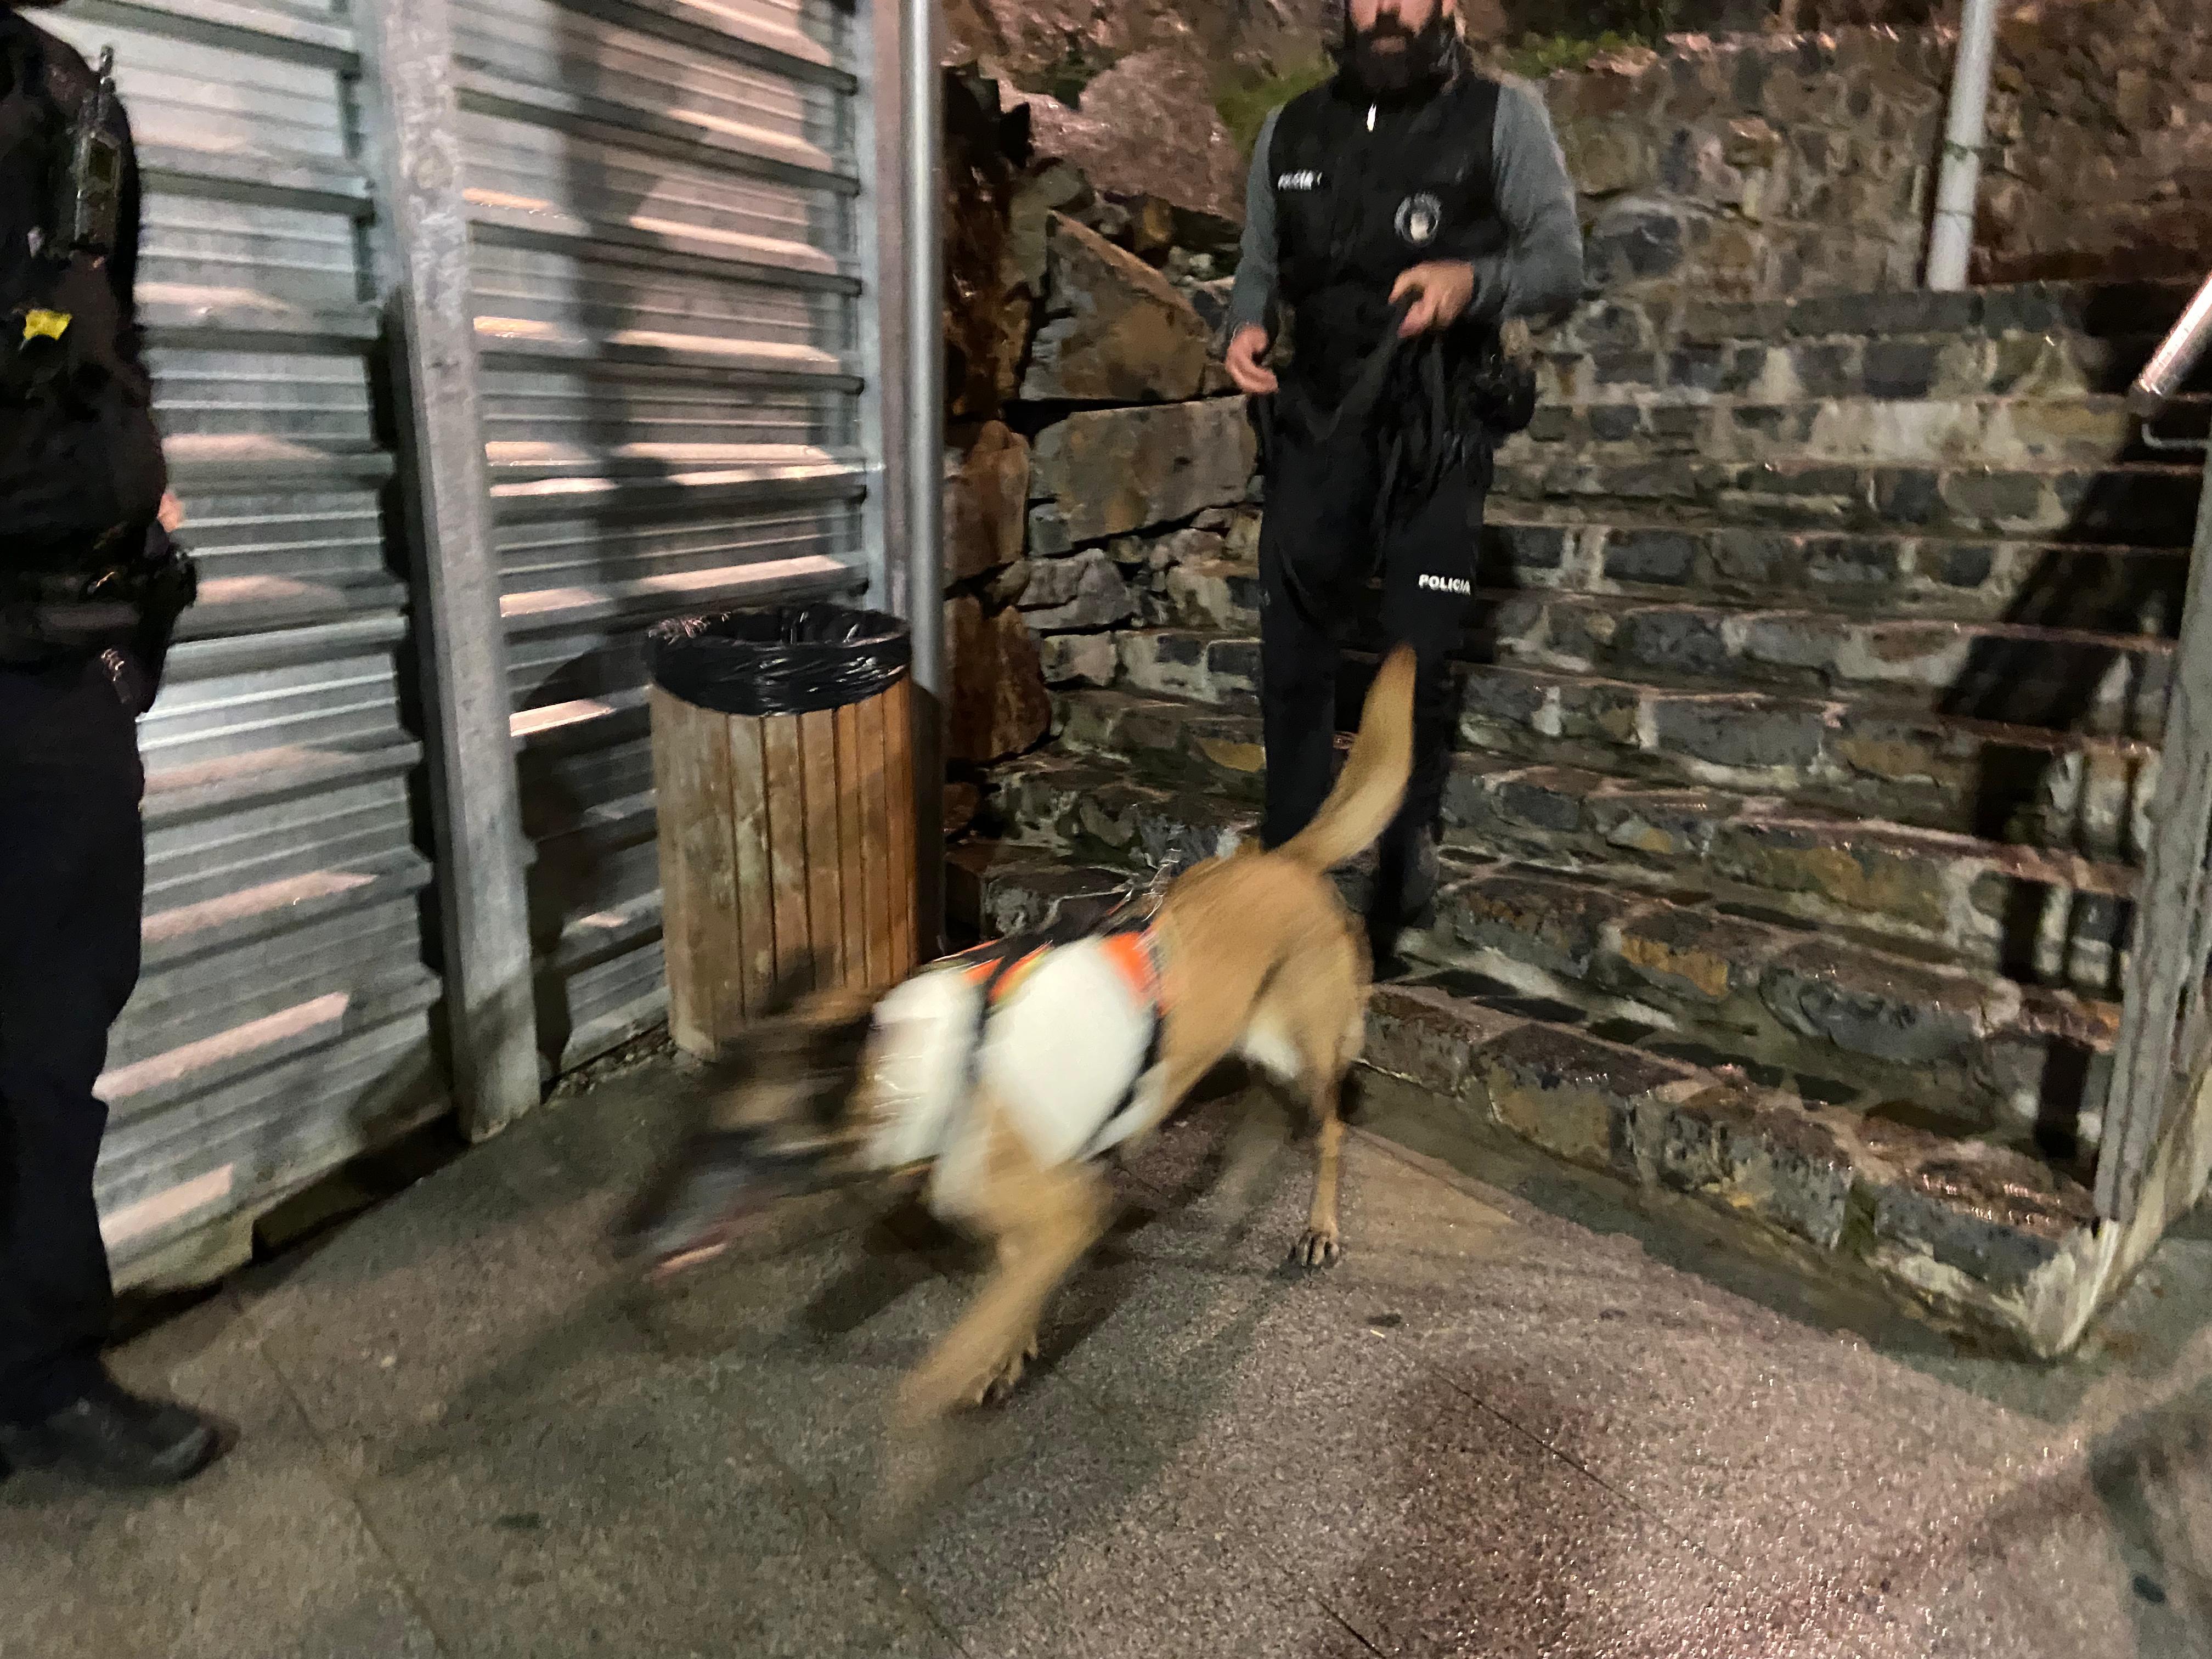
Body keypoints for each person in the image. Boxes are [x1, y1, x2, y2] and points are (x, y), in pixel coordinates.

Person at [1221, 0, 1582, 954]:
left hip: (1440, 427)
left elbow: (1558, 261)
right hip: (1317, 422)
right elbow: (1259, 263)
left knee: (1416, 642)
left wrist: (1473, 283)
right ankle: (1290, 857)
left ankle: (1401, 842)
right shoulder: (1290, 127)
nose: (1387, 9)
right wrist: (1244, 323)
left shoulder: (1506, 116)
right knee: (1294, 649)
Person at [0, 0, 217, 1485]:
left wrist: (144, 490)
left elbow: (101, 332)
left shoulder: (61, 97)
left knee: (46, 1051)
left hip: (49, 662)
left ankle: (37, 1374)